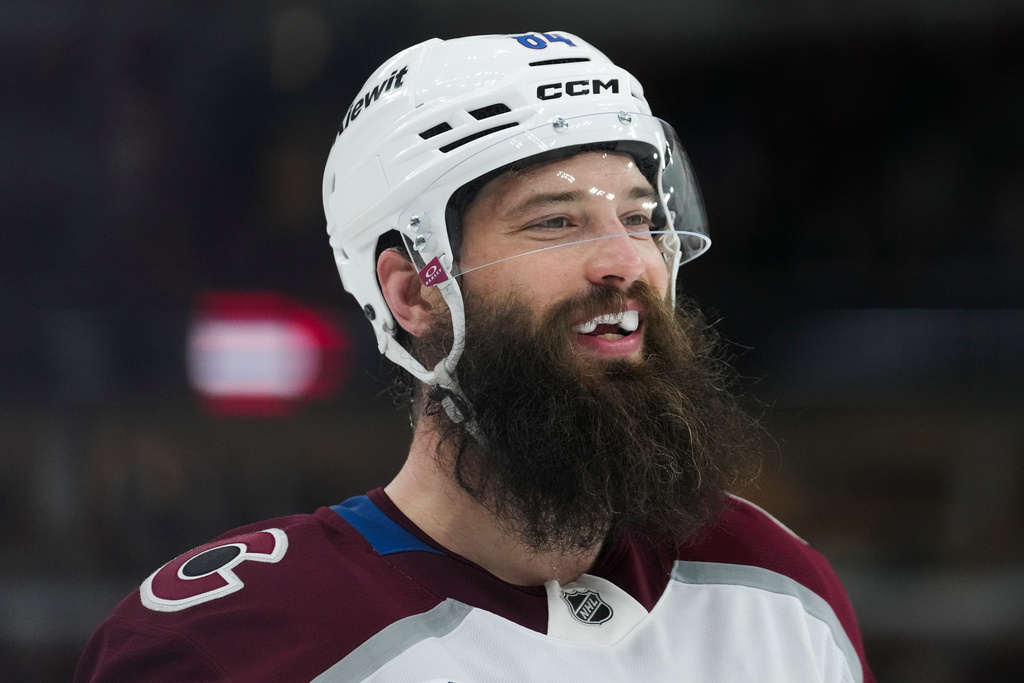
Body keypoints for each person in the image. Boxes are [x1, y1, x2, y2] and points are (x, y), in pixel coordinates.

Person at [76, 31, 875, 682]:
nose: (626, 261)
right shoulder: (236, 649)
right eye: (555, 221)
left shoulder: (777, 588)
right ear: (413, 291)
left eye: (639, 217)